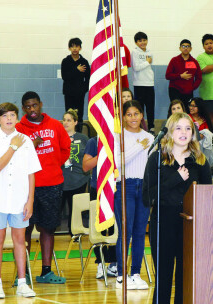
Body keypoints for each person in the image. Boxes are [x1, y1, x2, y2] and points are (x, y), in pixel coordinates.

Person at [143, 112, 212, 303]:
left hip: (191, 225)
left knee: (185, 277)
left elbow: (209, 195)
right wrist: (175, 179)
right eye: (179, 128)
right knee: (164, 278)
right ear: (170, 132)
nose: (184, 132)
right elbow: (147, 196)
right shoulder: (157, 159)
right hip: (163, 223)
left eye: (188, 128)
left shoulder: (200, 161)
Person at [0, 102, 40, 298]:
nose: (9, 119)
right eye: (5, 115)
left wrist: (30, 200)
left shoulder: (26, 139)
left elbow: (32, 172)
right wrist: (13, 147)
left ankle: (22, 282)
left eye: (12, 115)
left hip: (20, 198)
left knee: (20, 239)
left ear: (17, 117)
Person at [16, 91, 70, 284]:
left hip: (52, 184)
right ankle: (24, 272)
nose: (32, 110)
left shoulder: (55, 125)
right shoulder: (18, 128)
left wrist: (53, 164)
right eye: (28, 107)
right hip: (26, 186)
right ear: (23, 108)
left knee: (48, 228)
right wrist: (31, 145)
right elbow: (13, 156)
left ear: (41, 104)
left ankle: (46, 271)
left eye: (35, 105)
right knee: (25, 229)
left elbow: (65, 149)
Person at [113, 100, 153, 290]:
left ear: (142, 115)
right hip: (125, 186)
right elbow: (118, 162)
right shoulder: (118, 136)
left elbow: (151, 166)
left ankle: (136, 273)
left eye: (136, 114)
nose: (133, 118)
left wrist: (144, 144)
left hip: (144, 187)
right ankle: (121, 274)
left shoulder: (150, 138)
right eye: (129, 114)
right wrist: (139, 146)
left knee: (139, 233)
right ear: (123, 117)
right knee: (125, 232)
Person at [82, 136, 117, 279]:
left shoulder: (122, 139)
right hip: (98, 188)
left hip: (117, 188)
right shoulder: (93, 141)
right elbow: (86, 166)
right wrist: (103, 153)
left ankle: (114, 263)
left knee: (116, 228)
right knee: (99, 228)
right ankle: (101, 263)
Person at [61, 108, 90, 235]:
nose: (66, 123)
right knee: (56, 211)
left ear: (75, 122)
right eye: (64, 120)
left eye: (69, 120)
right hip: (61, 180)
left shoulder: (83, 138)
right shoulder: (58, 137)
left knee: (75, 210)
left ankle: (75, 235)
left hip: (79, 180)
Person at [61, 38, 90, 128]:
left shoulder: (84, 62)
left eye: (76, 46)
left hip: (80, 93)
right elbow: (65, 76)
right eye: (72, 46)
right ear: (69, 48)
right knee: (69, 115)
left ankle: (79, 134)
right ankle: (69, 134)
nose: (74, 49)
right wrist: (76, 70)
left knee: (79, 115)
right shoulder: (65, 61)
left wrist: (84, 90)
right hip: (68, 92)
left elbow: (88, 77)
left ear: (80, 48)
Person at [165, 39, 202, 108]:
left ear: (191, 48)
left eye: (188, 46)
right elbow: (167, 76)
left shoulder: (194, 62)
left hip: (188, 92)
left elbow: (199, 78)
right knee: (176, 112)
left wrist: (192, 87)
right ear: (180, 48)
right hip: (175, 90)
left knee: (187, 112)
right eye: (183, 46)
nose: (185, 48)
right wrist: (180, 76)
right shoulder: (174, 60)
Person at [131, 32, 155, 132]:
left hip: (149, 84)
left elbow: (148, 66)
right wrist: (147, 62)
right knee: (139, 109)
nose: (142, 42)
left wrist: (146, 62)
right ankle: (140, 128)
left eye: (144, 40)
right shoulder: (134, 52)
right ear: (136, 43)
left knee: (150, 108)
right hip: (139, 84)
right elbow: (136, 67)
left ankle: (151, 128)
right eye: (140, 41)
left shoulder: (150, 52)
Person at [189, 97, 213, 166]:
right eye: (190, 105)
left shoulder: (205, 120)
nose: (191, 107)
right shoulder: (187, 118)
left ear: (200, 107)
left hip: (202, 147)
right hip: (190, 146)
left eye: (194, 106)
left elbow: (207, 134)